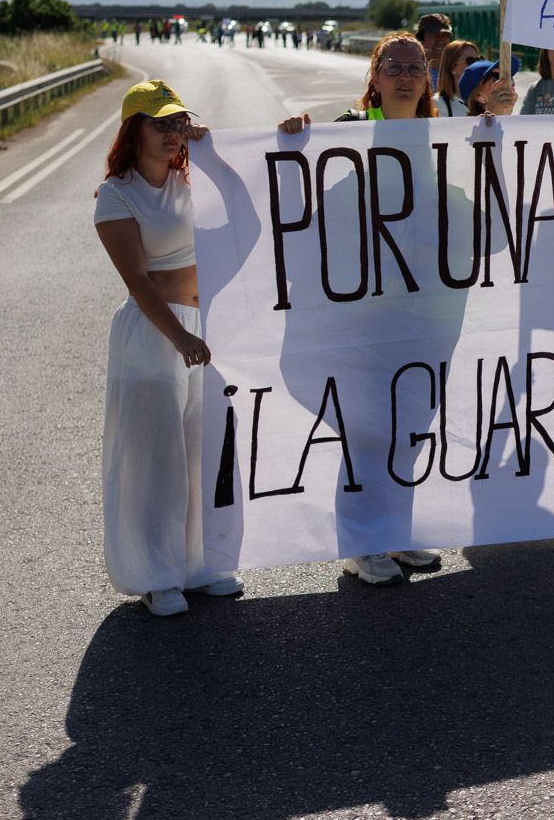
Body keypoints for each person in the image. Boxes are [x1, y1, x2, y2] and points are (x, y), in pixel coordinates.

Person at [277, 35, 444, 584]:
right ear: (374, 78)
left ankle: (395, 535)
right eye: (392, 66)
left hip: (428, 309)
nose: (404, 75)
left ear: (428, 80)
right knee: (368, 427)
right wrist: (294, 143)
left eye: (415, 67)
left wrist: (502, 125)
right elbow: (307, 186)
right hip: (363, 308)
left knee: (411, 427)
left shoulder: (447, 135)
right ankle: (360, 542)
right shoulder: (347, 132)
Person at [93, 80, 242, 616]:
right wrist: (179, 338)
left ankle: (201, 564)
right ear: (133, 130)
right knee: (157, 459)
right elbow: (138, 280)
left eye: (179, 122)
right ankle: (157, 573)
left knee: (204, 452)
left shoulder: (194, 175)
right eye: (161, 123)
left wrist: (212, 150)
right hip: (156, 334)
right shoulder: (117, 194)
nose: (173, 133)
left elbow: (246, 203)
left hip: (204, 329)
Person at [435, 40, 479, 118]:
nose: (477, 65)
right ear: (452, 68)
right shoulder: (437, 104)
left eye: (479, 60)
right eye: (470, 61)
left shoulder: (486, 102)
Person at [416, 14, 452, 90]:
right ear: (421, 39)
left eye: (445, 35)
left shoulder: (457, 72)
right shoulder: (413, 74)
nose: (440, 40)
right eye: (434, 35)